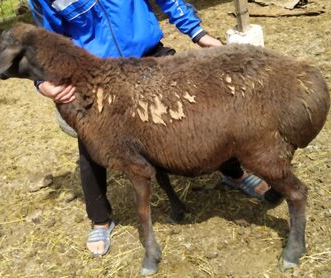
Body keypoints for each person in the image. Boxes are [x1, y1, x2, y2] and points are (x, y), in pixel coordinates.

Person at [29, 0, 278, 257]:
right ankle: (100, 219)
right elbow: (45, 40)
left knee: (203, 117)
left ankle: (233, 173)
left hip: (150, 58)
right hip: (98, 75)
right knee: (91, 146)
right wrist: (42, 82)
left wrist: (198, 33)